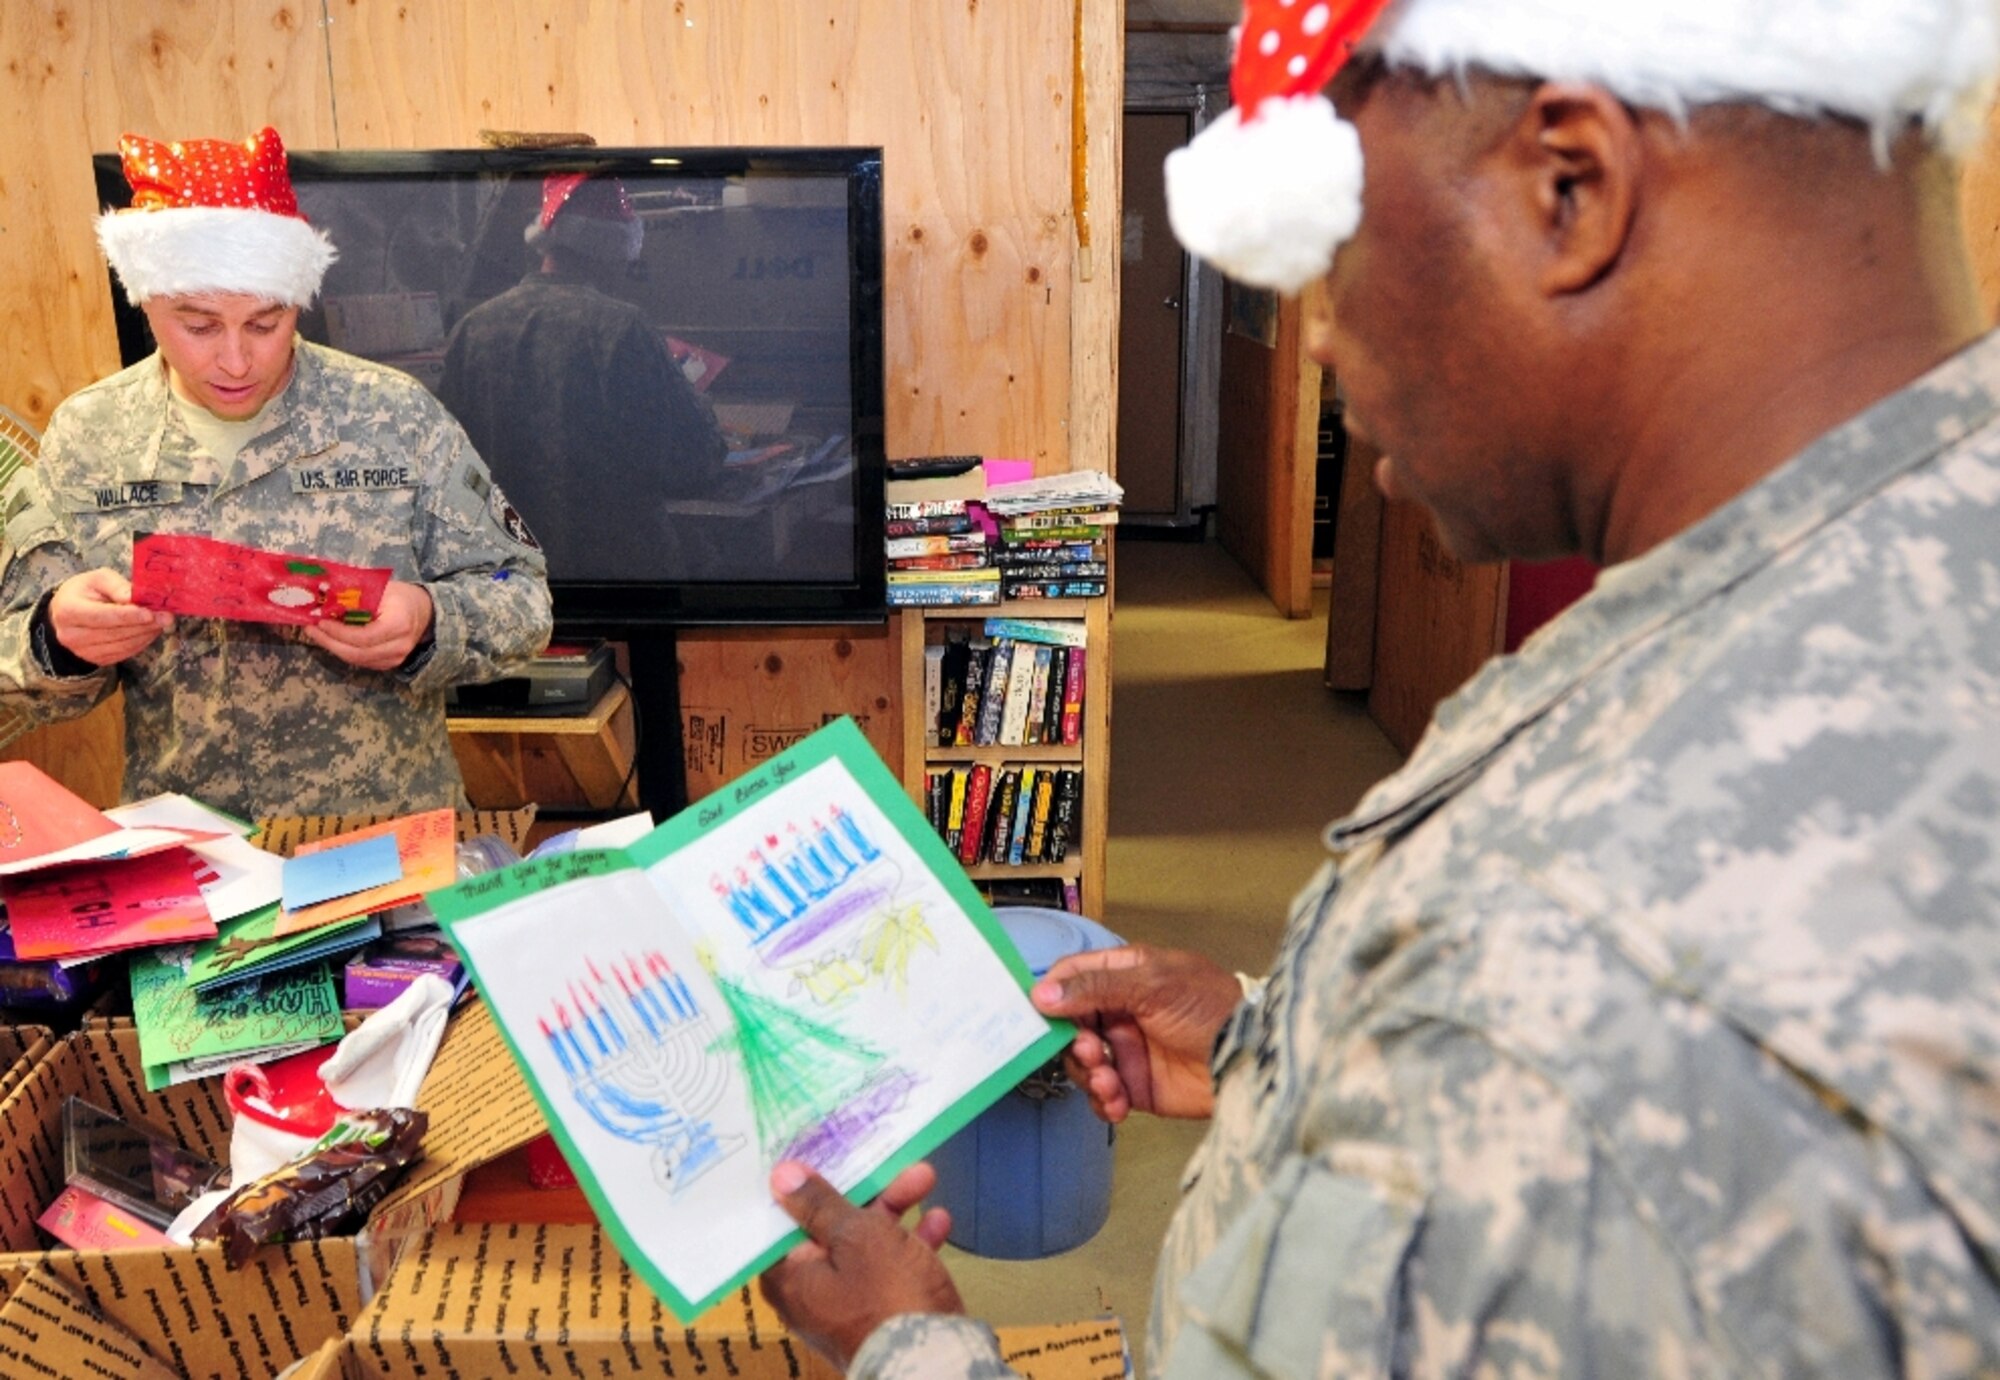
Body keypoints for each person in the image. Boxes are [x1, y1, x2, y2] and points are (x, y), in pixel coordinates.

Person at [758, 1, 2000, 1375]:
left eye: (1333, 241)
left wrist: (905, 1345)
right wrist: (1280, 1054)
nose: (1323, 335)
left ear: (1568, 188)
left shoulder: (1583, 948)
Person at [0, 127, 552, 820]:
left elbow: (521, 595)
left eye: (266, 323)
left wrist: (428, 621)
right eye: (198, 326)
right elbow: (14, 653)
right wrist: (57, 635)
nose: (235, 360)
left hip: (385, 839)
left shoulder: (393, 415)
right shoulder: (91, 437)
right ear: (147, 301)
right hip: (196, 856)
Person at [436, 171, 728, 581]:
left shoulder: (473, 328)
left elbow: (449, 472)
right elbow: (694, 462)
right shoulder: (621, 328)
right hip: (620, 579)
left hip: (509, 581)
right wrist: (699, 404)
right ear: (613, 251)